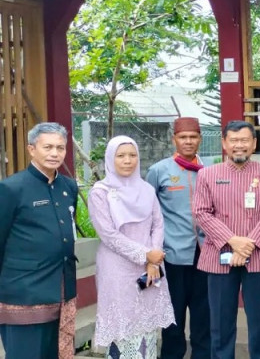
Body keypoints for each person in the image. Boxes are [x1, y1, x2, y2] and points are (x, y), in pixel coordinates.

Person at [193, 120, 260, 359]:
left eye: (244, 140)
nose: (239, 146)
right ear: (224, 143)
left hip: (257, 257)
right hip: (219, 258)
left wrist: (246, 246)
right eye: (233, 140)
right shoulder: (208, 175)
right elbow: (201, 212)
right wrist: (232, 240)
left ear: (254, 143)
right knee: (220, 324)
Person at [89, 135, 176, 358]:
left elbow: (158, 223)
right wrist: (146, 255)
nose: (128, 160)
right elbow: (108, 235)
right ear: (110, 159)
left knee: (147, 327)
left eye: (132, 155)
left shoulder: (146, 189)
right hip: (117, 269)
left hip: (149, 267)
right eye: (121, 156)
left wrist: (153, 261)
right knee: (122, 326)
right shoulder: (100, 192)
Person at [0, 123, 79, 359]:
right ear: (31, 149)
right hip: (24, 292)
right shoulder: (10, 188)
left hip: (62, 287)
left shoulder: (68, 186)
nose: (55, 153)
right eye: (48, 147)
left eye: (60, 148)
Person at [145, 117, 210, 359]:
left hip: (205, 255)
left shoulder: (210, 170)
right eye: (183, 137)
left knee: (204, 315)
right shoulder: (159, 171)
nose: (189, 141)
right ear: (174, 139)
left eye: (193, 137)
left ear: (200, 139)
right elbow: (148, 214)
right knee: (173, 317)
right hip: (172, 256)